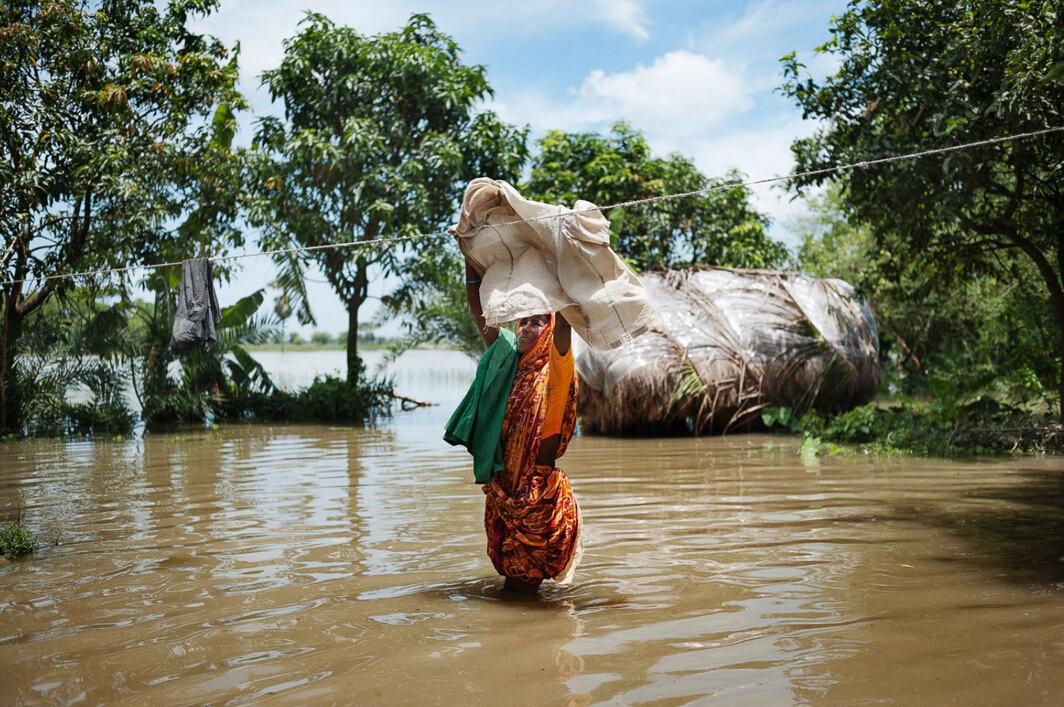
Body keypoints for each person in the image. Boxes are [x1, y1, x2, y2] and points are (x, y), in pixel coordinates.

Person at [458, 244, 582, 592]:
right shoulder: (506, 364)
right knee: (512, 582)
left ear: (549, 327)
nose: (525, 329)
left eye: (535, 323)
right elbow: (480, 314)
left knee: (523, 587)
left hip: (537, 492)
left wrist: (558, 269)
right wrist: (469, 257)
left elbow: (564, 328)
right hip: (504, 489)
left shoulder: (556, 372)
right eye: (522, 322)